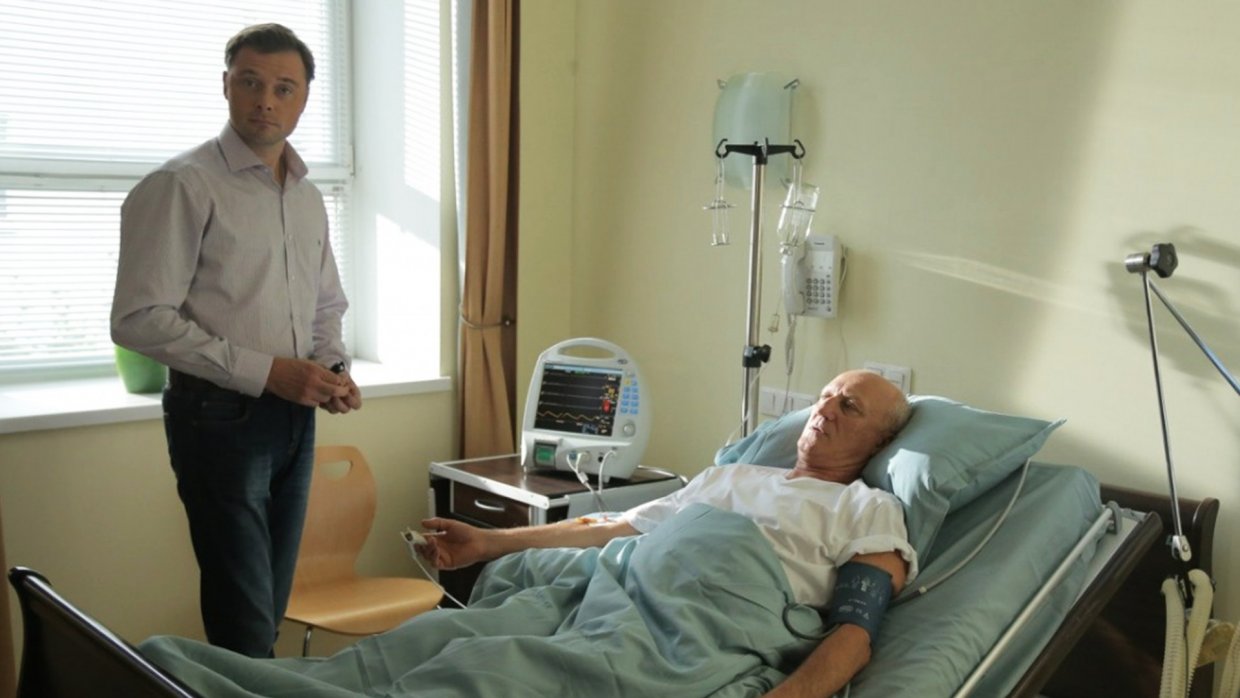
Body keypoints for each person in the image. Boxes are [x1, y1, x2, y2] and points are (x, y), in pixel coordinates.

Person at [417, 368, 916, 697]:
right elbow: (614, 526)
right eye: (825, 397)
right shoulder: (729, 475)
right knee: (438, 642)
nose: (825, 410)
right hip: (620, 599)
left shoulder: (867, 508)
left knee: (498, 674)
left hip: (694, 633)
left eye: (849, 407)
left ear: (882, 441)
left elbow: (854, 634)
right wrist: (488, 543)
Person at [111, 23, 362, 658]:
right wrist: (266, 371)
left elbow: (325, 304)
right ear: (226, 86)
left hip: (296, 416)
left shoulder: (306, 197)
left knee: (268, 608)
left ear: (304, 98)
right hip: (217, 417)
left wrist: (331, 369)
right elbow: (138, 318)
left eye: (284, 88)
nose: (265, 101)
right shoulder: (182, 184)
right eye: (251, 83)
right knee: (243, 619)